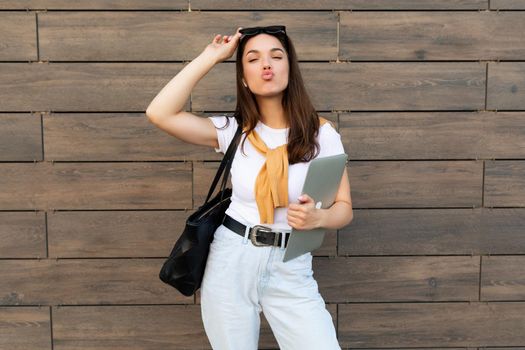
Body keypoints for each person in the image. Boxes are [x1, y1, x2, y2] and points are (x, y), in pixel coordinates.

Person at [146, 25, 353, 350]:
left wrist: (319, 219)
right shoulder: (233, 132)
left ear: (289, 67)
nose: (266, 64)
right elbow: (159, 113)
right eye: (253, 59)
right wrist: (211, 57)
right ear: (243, 77)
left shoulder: (321, 135)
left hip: (291, 263)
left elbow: (343, 207)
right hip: (232, 258)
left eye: (276, 55)